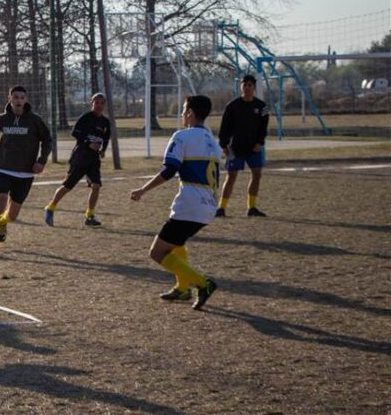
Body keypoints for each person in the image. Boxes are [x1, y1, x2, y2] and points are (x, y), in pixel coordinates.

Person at [129, 95, 221, 310]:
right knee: (177, 243)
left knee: (157, 252)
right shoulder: (211, 141)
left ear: (190, 113)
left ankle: (203, 284)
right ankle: (182, 288)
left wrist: (143, 190)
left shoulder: (182, 136)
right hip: (208, 204)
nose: (181, 114)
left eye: (183, 110)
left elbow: (170, 170)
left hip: (190, 203)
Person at [0, 85, 52, 258]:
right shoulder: (2, 119)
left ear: (26, 100)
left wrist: (41, 161)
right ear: (9, 99)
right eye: (15, 97)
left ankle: (3, 223)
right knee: (0, 205)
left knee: (13, 215)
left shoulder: (35, 121)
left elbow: (47, 140)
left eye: (21, 98)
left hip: (25, 173)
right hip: (4, 169)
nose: (18, 100)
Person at [44, 93, 111, 228]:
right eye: (96, 102)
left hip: (93, 159)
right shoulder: (85, 118)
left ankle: (89, 215)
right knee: (68, 186)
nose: (99, 105)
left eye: (101, 103)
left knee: (96, 186)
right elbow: (75, 133)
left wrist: (103, 149)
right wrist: (88, 143)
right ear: (91, 103)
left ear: (105, 105)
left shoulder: (105, 122)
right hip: (80, 156)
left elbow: (106, 137)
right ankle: (50, 207)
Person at [216, 74, 270, 217]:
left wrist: (260, 143)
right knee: (231, 176)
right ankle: (221, 208)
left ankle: (251, 208)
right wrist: (224, 145)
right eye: (244, 85)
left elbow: (264, 128)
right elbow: (225, 128)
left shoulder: (262, 107)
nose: (247, 87)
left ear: (254, 87)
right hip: (236, 148)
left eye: (250, 85)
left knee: (257, 174)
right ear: (241, 86)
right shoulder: (232, 106)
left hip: (254, 148)